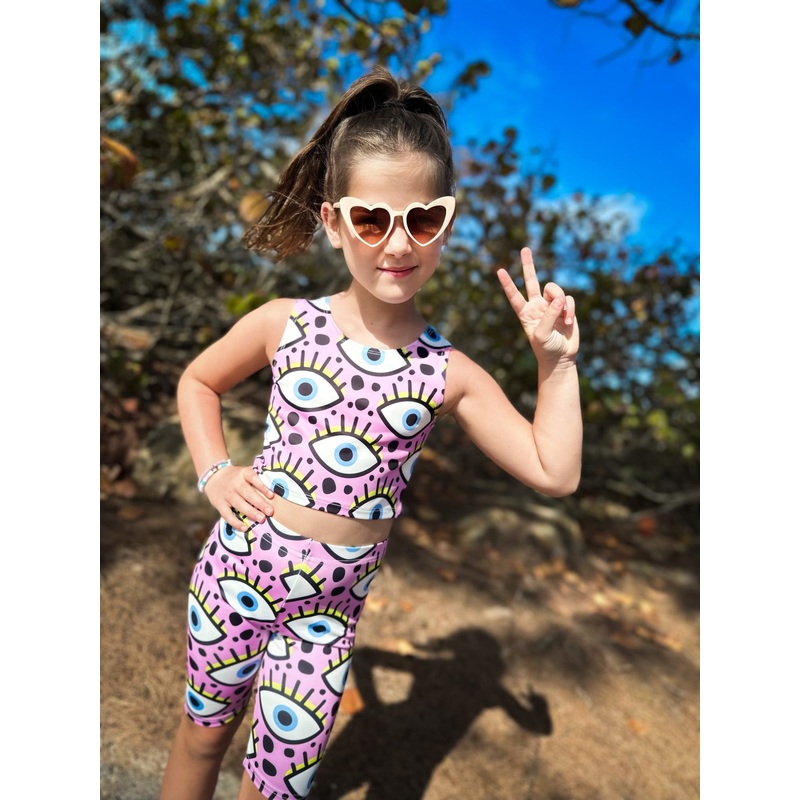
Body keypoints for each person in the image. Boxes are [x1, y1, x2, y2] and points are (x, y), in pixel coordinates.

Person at [159, 65, 581, 800]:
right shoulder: (284, 323)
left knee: (276, 788)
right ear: (333, 222)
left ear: (447, 223)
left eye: (422, 219)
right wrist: (214, 471)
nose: (398, 242)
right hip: (235, 576)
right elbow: (198, 381)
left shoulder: (449, 372)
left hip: (325, 622)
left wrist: (557, 365)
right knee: (201, 739)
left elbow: (555, 471)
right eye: (371, 219)